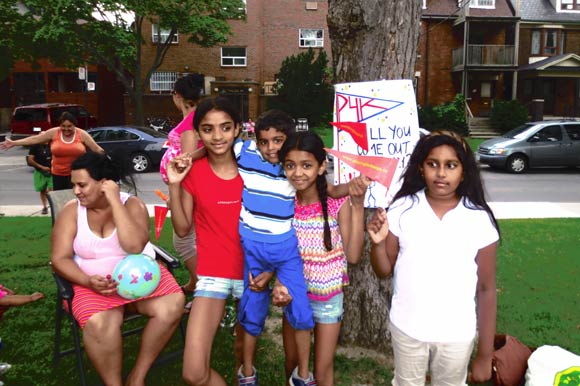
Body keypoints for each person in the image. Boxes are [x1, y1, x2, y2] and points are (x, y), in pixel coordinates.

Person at [367, 130, 500, 385]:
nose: (441, 173)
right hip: (407, 328)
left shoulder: (479, 220)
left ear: (463, 172)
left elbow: (486, 289)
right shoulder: (403, 209)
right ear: (420, 168)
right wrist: (377, 244)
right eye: (432, 164)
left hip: (456, 333)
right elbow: (384, 270)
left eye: (451, 165)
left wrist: (485, 354)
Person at [50, 151, 185, 386]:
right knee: (101, 324)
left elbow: (134, 246)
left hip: (138, 280)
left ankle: (138, 375)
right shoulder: (72, 211)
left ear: (105, 184)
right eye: (74, 185)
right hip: (93, 284)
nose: (76, 191)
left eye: (82, 185)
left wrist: (114, 201)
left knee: (173, 304)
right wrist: (87, 281)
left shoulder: (132, 205)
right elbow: (59, 259)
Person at [274, 131, 370, 386]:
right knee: (292, 361)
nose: (298, 173)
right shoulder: (284, 204)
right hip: (294, 297)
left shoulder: (338, 205)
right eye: (290, 165)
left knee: (323, 368)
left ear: (320, 166)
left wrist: (358, 205)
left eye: (306, 165)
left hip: (328, 299)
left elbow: (353, 254)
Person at [166, 97, 244, 386]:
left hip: (253, 274)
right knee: (193, 373)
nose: (218, 136)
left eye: (225, 127)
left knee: (244, 362)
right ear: (198, 132)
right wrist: (175, 183)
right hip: (212, 276)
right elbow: (183, 228)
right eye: (208, 129)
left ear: (237, 128)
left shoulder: (254, 166)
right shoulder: (193, 172)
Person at [159, 74, 204, 295]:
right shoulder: (199, 119)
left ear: (177, 96)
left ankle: (203, 287)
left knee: (183, 241)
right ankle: (196, 283)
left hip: (187, 188)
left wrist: (176, 197)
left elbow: (188, 162)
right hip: (190, 188)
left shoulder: (189, 124)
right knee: (194, 240)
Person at [0, 112, 104, 190]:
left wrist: (108, 160)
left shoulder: (82, 134)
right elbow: (34, 139)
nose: (66, 129)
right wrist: (14, 143)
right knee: (61, 203)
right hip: (58, 175)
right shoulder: (54, 133)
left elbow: (96, 149)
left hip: (78, 174)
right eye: (63, 126)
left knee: (78, 201)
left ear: (74, 125)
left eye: (69, 126)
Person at [26, 133, 53, 214]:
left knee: (52, 190)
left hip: (52, 171)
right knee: (42, 190)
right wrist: (41, 167)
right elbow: (30, 161)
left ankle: (53, 206)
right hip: (40, 171)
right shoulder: (35, 146)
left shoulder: (52, 145)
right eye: (42, 136)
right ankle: (44, 207)